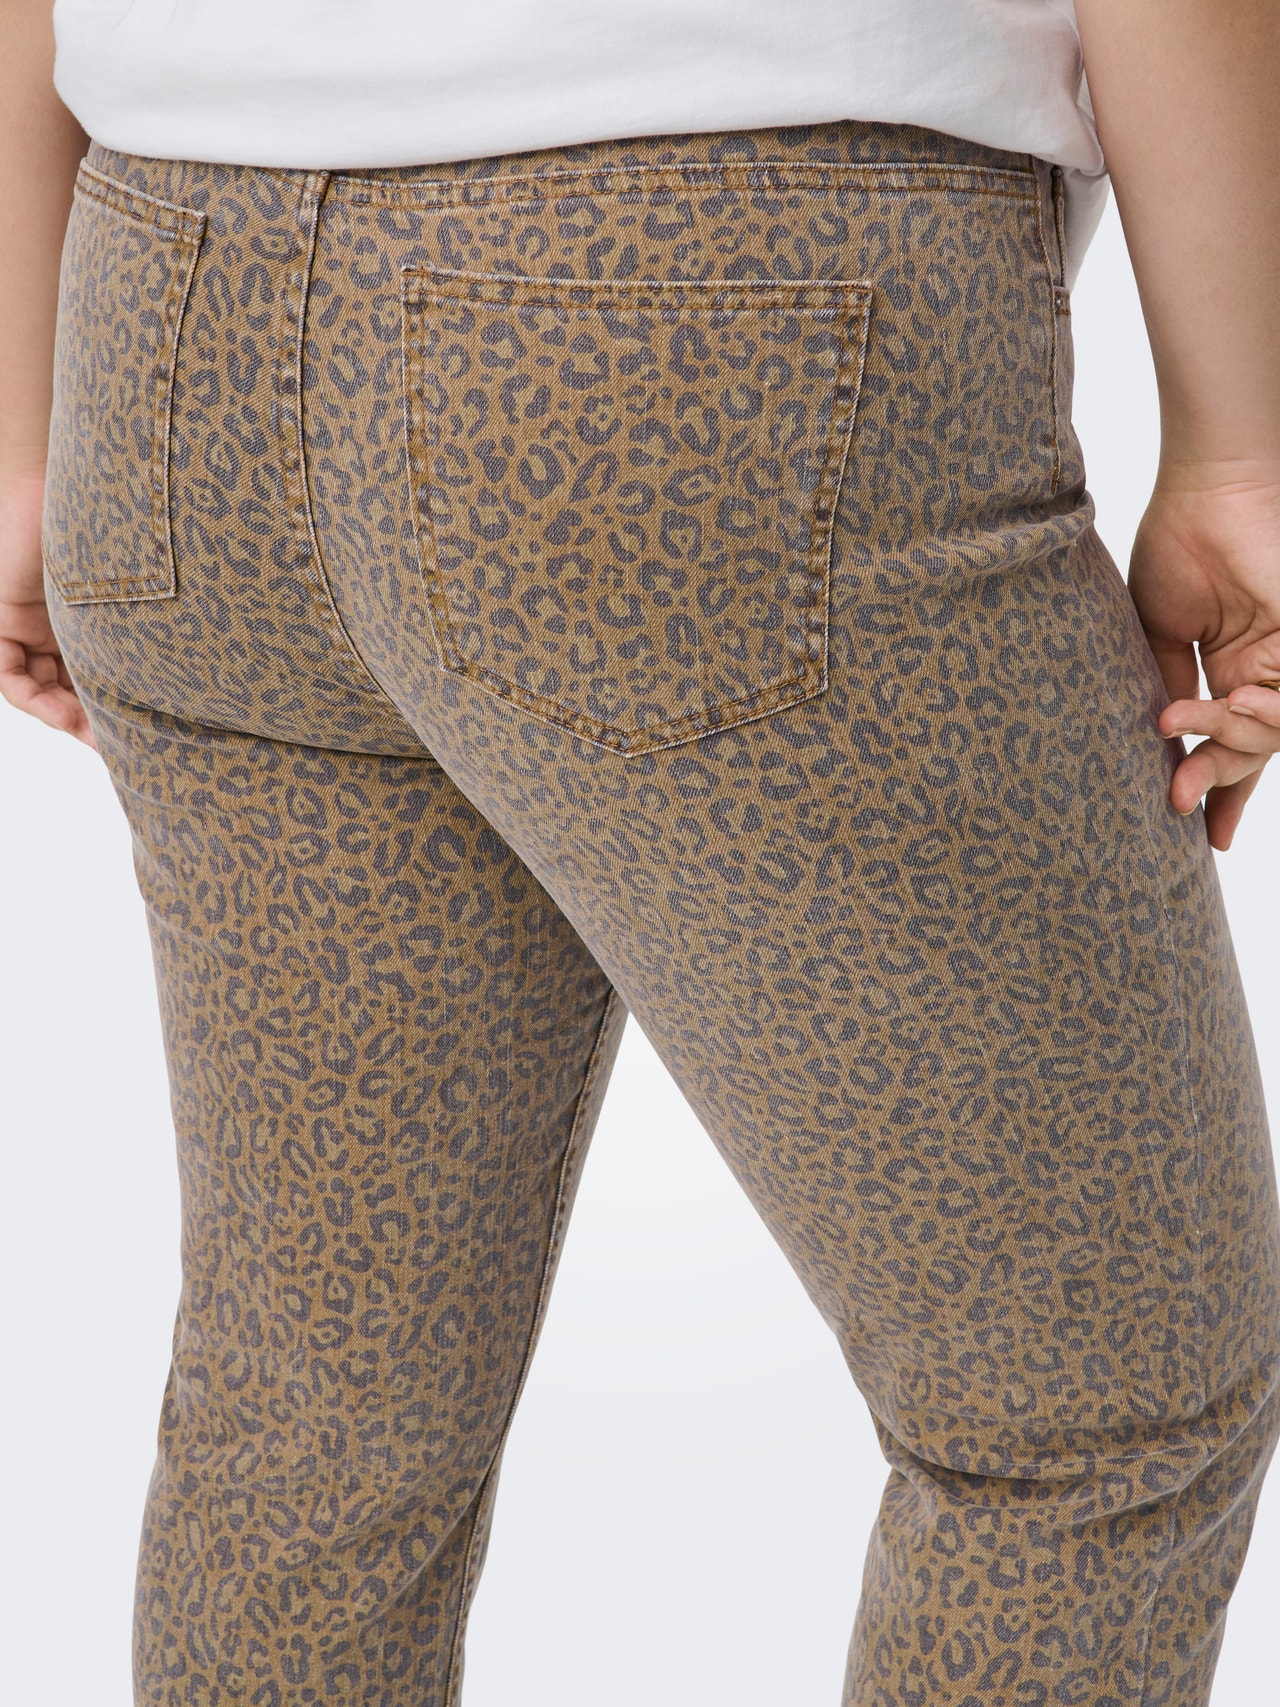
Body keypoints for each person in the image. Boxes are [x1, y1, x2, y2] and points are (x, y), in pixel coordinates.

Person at [3, 1, 1279, 1702]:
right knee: (1098, 1413)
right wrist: (1244, 448)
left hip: (167, 331)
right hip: (699, 308)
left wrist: (26, 426)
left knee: (319, 1420)